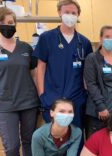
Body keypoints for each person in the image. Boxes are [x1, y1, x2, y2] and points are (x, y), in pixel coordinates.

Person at [0, 7, 39, 156]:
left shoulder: (26, 48)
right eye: (4, 22)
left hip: (28, 102)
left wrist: (40, 98)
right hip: (4, 105)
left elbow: (35, 75)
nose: (8, 26)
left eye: (12, 23)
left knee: (29, 141)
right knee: (11, 145)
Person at [33, 0, 92, 129]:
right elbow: (40, 68)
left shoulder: (84, 42)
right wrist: (42, 95)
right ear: (59, 13)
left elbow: (87, 72)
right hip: (52, 98)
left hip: (76, 98)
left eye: (73, 13)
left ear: (78, 15)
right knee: (55, 140)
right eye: (66, 12)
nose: (70, 15)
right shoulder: (47, 38)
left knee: (75, 138)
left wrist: (86, 93)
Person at [84, 25, 112, 138]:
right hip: (99, 111)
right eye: (107, 36)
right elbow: (91, 84)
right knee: (96, 146)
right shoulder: (92, 58)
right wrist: (101, 106)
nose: (110, 39)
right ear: (100, 38)